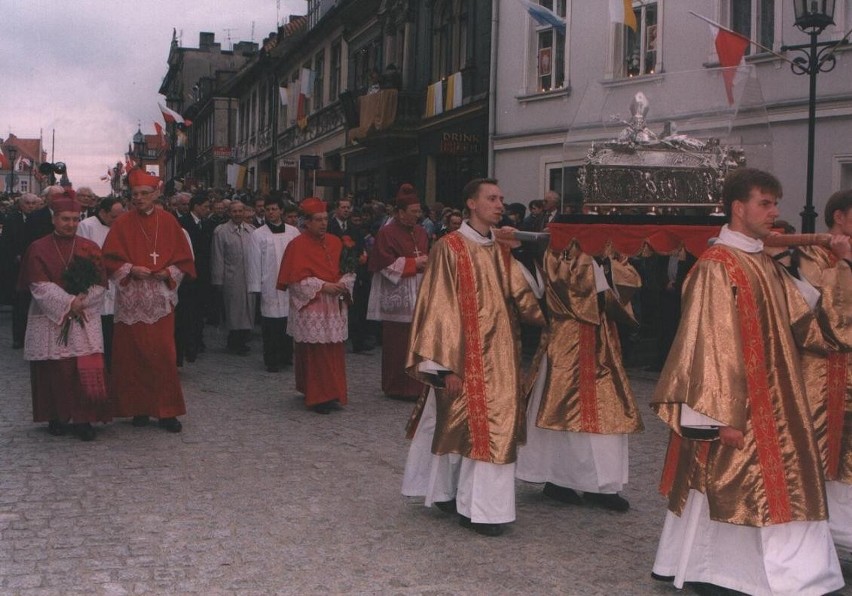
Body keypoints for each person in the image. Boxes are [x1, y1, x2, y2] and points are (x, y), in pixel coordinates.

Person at [650, 168, 845, 595]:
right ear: (739, 208)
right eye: (765, 203)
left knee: (779, 481)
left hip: (779, 398)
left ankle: (785, 575)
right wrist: (719, 417)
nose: (775, 212)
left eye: (775, 203)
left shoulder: (763, 262)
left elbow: (806, 326)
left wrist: (842, 269)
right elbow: (707, 345)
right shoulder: (716, 266)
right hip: (739, 405)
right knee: (734, 483)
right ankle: (719, 572)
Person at [401, 178, 545, 537]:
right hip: (463, 359)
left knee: (493, 427)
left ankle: (477, 507)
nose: (499, 205)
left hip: (501, 357)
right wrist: (444, 368)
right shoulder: (449, 247)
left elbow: (527, 301)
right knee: (461, 427)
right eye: (491, 198)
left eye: (501, 198)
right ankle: (466, 503)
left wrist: (518, 253)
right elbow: (437, 306)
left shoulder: (499, 247)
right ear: (471, 204)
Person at [516, 243, 644, 511]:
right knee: (560, 409)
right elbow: (562, 287)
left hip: (602, 339)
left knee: (608, 412)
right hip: (566, 337)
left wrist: (608, 264)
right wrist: (593, 262)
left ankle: (603, 485)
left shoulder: (607, 245)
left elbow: (628, 281)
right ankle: (557, 478)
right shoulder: (558, 246)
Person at [102, 168, 196, 433]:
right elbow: (109, 260)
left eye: (144, 194)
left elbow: (184, 260)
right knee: (131, 357)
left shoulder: (168, 222)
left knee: (163, 356)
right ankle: (138, 408)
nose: (139, 198)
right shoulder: (121, 223)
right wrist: (131, 269)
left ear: (155, 194)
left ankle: (166, 411)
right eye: (135, 194)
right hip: (132, 300)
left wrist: (168, 272)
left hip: (159, 301)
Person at [18, 191, 110, 441]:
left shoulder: (89, 247)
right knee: (55, 369)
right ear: (54, 219)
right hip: (51, 318)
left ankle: (83, 419)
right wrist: (69, 302)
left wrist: (82, 301)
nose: (70, 224)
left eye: (75, 219)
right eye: (65, 219)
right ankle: (56, 416)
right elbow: (38, 285)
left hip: (84, 317)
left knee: (83, 368)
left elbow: (101, 283)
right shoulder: (38, 248)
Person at [789, 190, 852, 553]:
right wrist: (843, 264)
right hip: (821, 367)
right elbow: (827, 315)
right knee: (819, 447)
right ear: (839, 217)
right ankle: (816, 535)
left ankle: (845, 535)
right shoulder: (810, 254)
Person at [277, 198, 355, 414]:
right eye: (318, 220)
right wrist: (322, 286)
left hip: (334, 303)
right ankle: (318, 396)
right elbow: (295, 282)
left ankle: (333, 393)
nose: (323, 224)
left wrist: (344, 283)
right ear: (307, 223)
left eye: (325, 219)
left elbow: (347, 269)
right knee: (315, 352)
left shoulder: (335, 242)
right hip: (313, 304)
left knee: (334, 351)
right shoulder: (297, 245)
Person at [367, 184, 429, 400]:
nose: (417, 216)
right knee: (398, 344)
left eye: (418, 212)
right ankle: (396, 386)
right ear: (400, 213)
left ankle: (419, 385)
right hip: (398, 297)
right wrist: (414, 263)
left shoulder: (421, 232)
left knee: (419, 341)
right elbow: (384, 265)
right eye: (413, 212)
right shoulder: (387, 233)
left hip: (419, 293)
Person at [247, 196, 299, 372]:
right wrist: (255, 286)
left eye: (274, 209)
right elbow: (254, 262)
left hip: (290, 284)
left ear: (281, 211)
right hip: (269, 283)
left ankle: (286, 355)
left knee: (288, 321)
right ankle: (272, 359)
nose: (270, 212)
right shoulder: (258, 234)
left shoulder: (293, 232)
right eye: (268, 209)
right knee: (271, 324)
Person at [76, 197, 125, 370]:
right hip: (95, 282)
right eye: (113, 216)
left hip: (115, 282)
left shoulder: (119, 227)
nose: (117, 220)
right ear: (102, 212)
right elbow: (82, 256)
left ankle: (112, 363)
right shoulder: (87, 226)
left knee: (113, 323)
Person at [211, 201, 256, 355]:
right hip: (231, 275)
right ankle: (234, 340)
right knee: (234, 309)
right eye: (234, 211)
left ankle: (244, 338)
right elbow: (217, 257)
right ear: (229, 213)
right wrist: (218, 280)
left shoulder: (251, 230)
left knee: (248, 308)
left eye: (240, 211)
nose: (237, 214)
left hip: (249, 276)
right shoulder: (221, 231)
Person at [328, 196, 372, 353]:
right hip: (334, 271)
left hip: (352, 272)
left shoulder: (354, 228)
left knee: (355, 307)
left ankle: (358, 342)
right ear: (336, 209)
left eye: (348, 207)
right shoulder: (329, 226)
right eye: (343, 207)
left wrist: (361, 256)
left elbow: (360, 247)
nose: (346, 210)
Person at [0, 193, 41, 348]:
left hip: (34, 264)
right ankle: (18, 338)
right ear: (20, 205)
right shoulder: (12, 219)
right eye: (27, 203)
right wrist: (15, 255)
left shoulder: (38, 219)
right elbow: (6, 242)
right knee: (19, 304)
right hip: (18, 267)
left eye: (33, 203)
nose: (30, 206)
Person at [177, 193, 214, 362]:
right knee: (188, 311)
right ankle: (188, 344)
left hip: (203, 274)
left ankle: (198, 340)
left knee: (200, 309)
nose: (208, 210)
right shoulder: (183, 223)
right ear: (196, 206)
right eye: (205, 206)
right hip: (188, 276)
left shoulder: (207, 224)